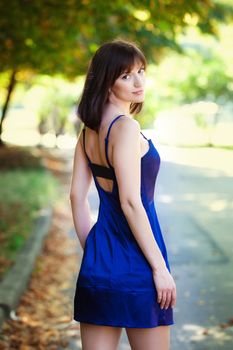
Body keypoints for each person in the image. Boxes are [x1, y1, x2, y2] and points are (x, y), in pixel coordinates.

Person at [70, 39, 177, 350]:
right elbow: (131, 202)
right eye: (126, 75)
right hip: (140, 262)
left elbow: (77, 197)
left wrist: (93, 248)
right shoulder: (126, 128)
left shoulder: (88, 131)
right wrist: (159, 268)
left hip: (99, 260)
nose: (138, 81)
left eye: (141, 71)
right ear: (106, 81)